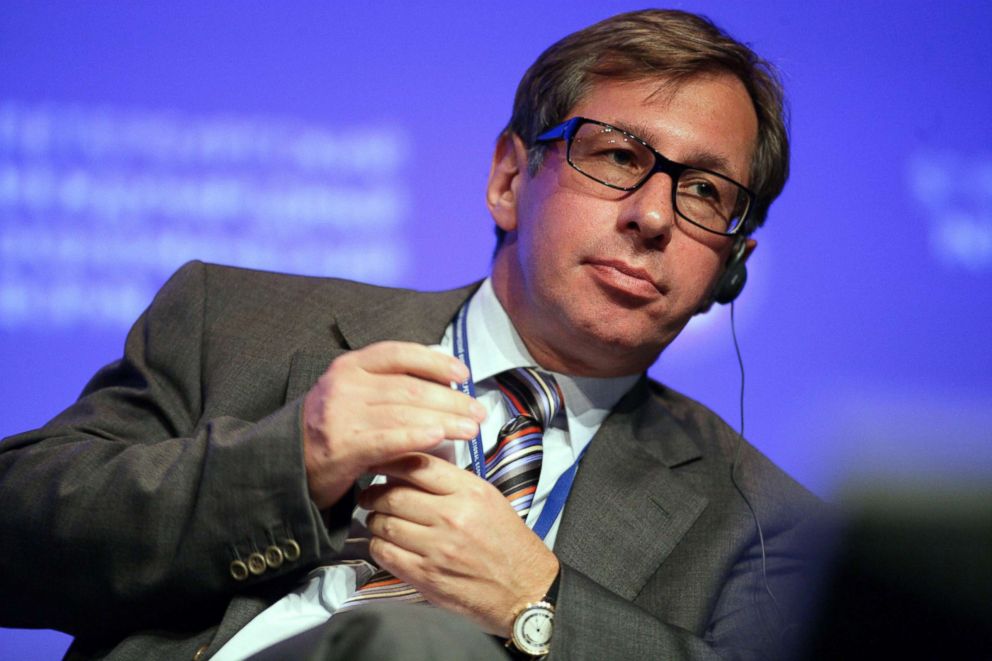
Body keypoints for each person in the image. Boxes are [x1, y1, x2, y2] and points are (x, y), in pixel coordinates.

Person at [0, 9, 822, 660]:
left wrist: (540, 605)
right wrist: (293, 464)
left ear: (731, 265)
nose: (650, 215)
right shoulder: (234, 319)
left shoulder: (765, 525)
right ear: (509, 178)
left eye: (706, 193)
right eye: (615, 157)